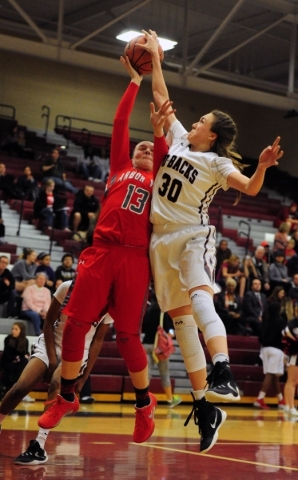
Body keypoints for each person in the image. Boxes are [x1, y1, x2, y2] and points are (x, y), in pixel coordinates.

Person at [142, 28, 283, 451]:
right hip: (160, 240)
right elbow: (163, 99)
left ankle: (222, 367)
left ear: (213, 135)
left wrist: (260, 168)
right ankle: (206, 406)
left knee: (202, 297)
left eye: (203, 121)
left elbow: (251, 189)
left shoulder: (217, 161)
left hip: (192, 235)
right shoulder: (182, 141)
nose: (195, 120)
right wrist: (156, 60)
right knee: (184, 325)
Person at [37, 56, 168, 445]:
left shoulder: (159, 178)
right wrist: (133, 83)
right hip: (101, 251)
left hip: (134, 258)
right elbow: (120, 125)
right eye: (141, 145)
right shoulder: (119, 168)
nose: (144, 147)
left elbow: (161, 149)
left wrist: (159, 132)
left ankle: (145, 405)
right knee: (74, 325)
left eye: (150, 147)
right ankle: (67, 396)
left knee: (128, 337)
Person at [0, 281, 112, 464]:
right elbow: (48, 323)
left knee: (56, 383)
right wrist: (52, 359)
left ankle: (39, 446)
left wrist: (84, 378)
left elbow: (97, 342)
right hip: (50, 342)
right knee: (20, 388)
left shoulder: (108, 302)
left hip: (77, 351)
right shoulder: (67, 287)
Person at [142, 290, 182, 408]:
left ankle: (143, 400)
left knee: (146, 375)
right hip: (159, 347)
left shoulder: (147, 311)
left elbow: (143, 328)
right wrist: (170, 336)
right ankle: (170, 399)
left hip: (146, 344)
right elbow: (169, 330)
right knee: (164, 374)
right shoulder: (163, 312)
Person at [253, 302, 287, 409]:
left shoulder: (266, 321)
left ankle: (281, 400)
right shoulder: (281, 321)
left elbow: (260, 336)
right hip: (276, 349)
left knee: (274, 375)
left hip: (264, 349)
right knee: (271, 373)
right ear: (278, 310)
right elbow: (285, 336)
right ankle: (260, 398)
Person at [0, 322, 32, 402]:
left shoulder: (25, 341)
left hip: (19, 363)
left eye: (16, 329)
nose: (13, 331)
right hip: (7, 363)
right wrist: (19, 357)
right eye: (12, 329)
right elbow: (7, 355)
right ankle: (17, 386)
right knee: (21, 363)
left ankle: (19, 388)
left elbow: (24, 354)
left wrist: (21, 357)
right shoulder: (8, 339)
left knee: (25, 362)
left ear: (21, 331)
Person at [282, 317, 298, 416]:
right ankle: (291, 407)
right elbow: (285, 331)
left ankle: (288, 405)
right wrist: (295, 340)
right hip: (295, 355)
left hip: (294, 355)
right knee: (292, 381)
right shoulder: (295, 322)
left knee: (292, 381)